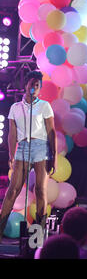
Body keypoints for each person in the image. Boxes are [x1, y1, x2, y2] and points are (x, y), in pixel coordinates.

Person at [0, 71, 57, 241]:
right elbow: (12, 134)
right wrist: (11, 154)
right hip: (23, 147)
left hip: (41, 147)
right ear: (26, 85)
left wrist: (53, 155)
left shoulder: (45, 106)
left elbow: (51, 131)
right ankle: (1, 229)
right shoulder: (15, 107)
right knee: (13, 189)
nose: (35, 87)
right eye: (32, 83)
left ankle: (38, 236)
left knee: (40, 189)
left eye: (38, 85)